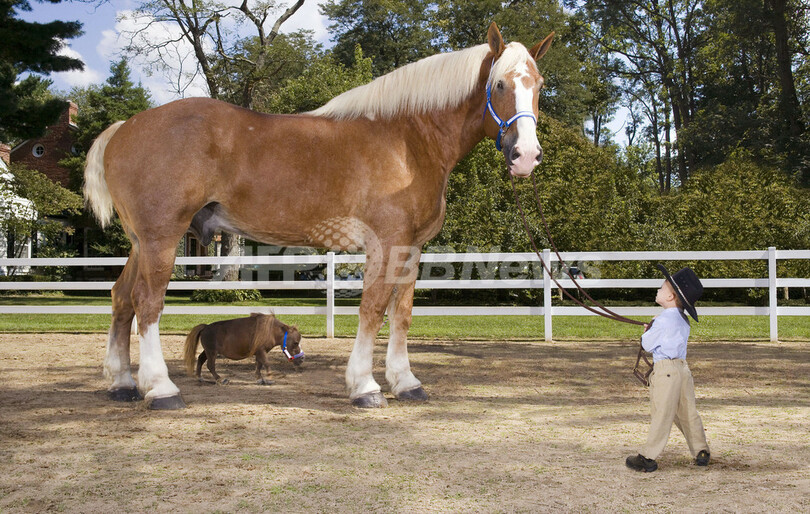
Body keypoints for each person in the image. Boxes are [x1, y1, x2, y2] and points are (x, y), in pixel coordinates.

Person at [626, 264, 711, 472]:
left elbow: (647, 345)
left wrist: (648, 330)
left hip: (665, 371)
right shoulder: (683, 320)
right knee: (688, 411)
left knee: (662, 413)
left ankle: (648, 456)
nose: (658, 290)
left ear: (671, 297)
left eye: (662, 288)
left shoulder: (663, 320)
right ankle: (701, 450)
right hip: (682, 369)